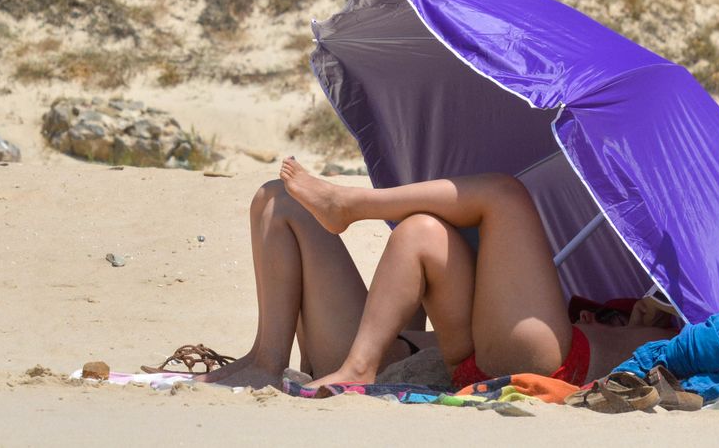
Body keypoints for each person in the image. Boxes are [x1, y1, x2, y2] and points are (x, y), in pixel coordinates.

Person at [194, 158, 680, 390]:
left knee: (504, 193)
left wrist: (660, 312)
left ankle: (352, 204)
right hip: (476, 356)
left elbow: (708, 347)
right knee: (420, 230)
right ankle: (268, 356)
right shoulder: (663, 308)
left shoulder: (702, 313)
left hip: (551, 360)